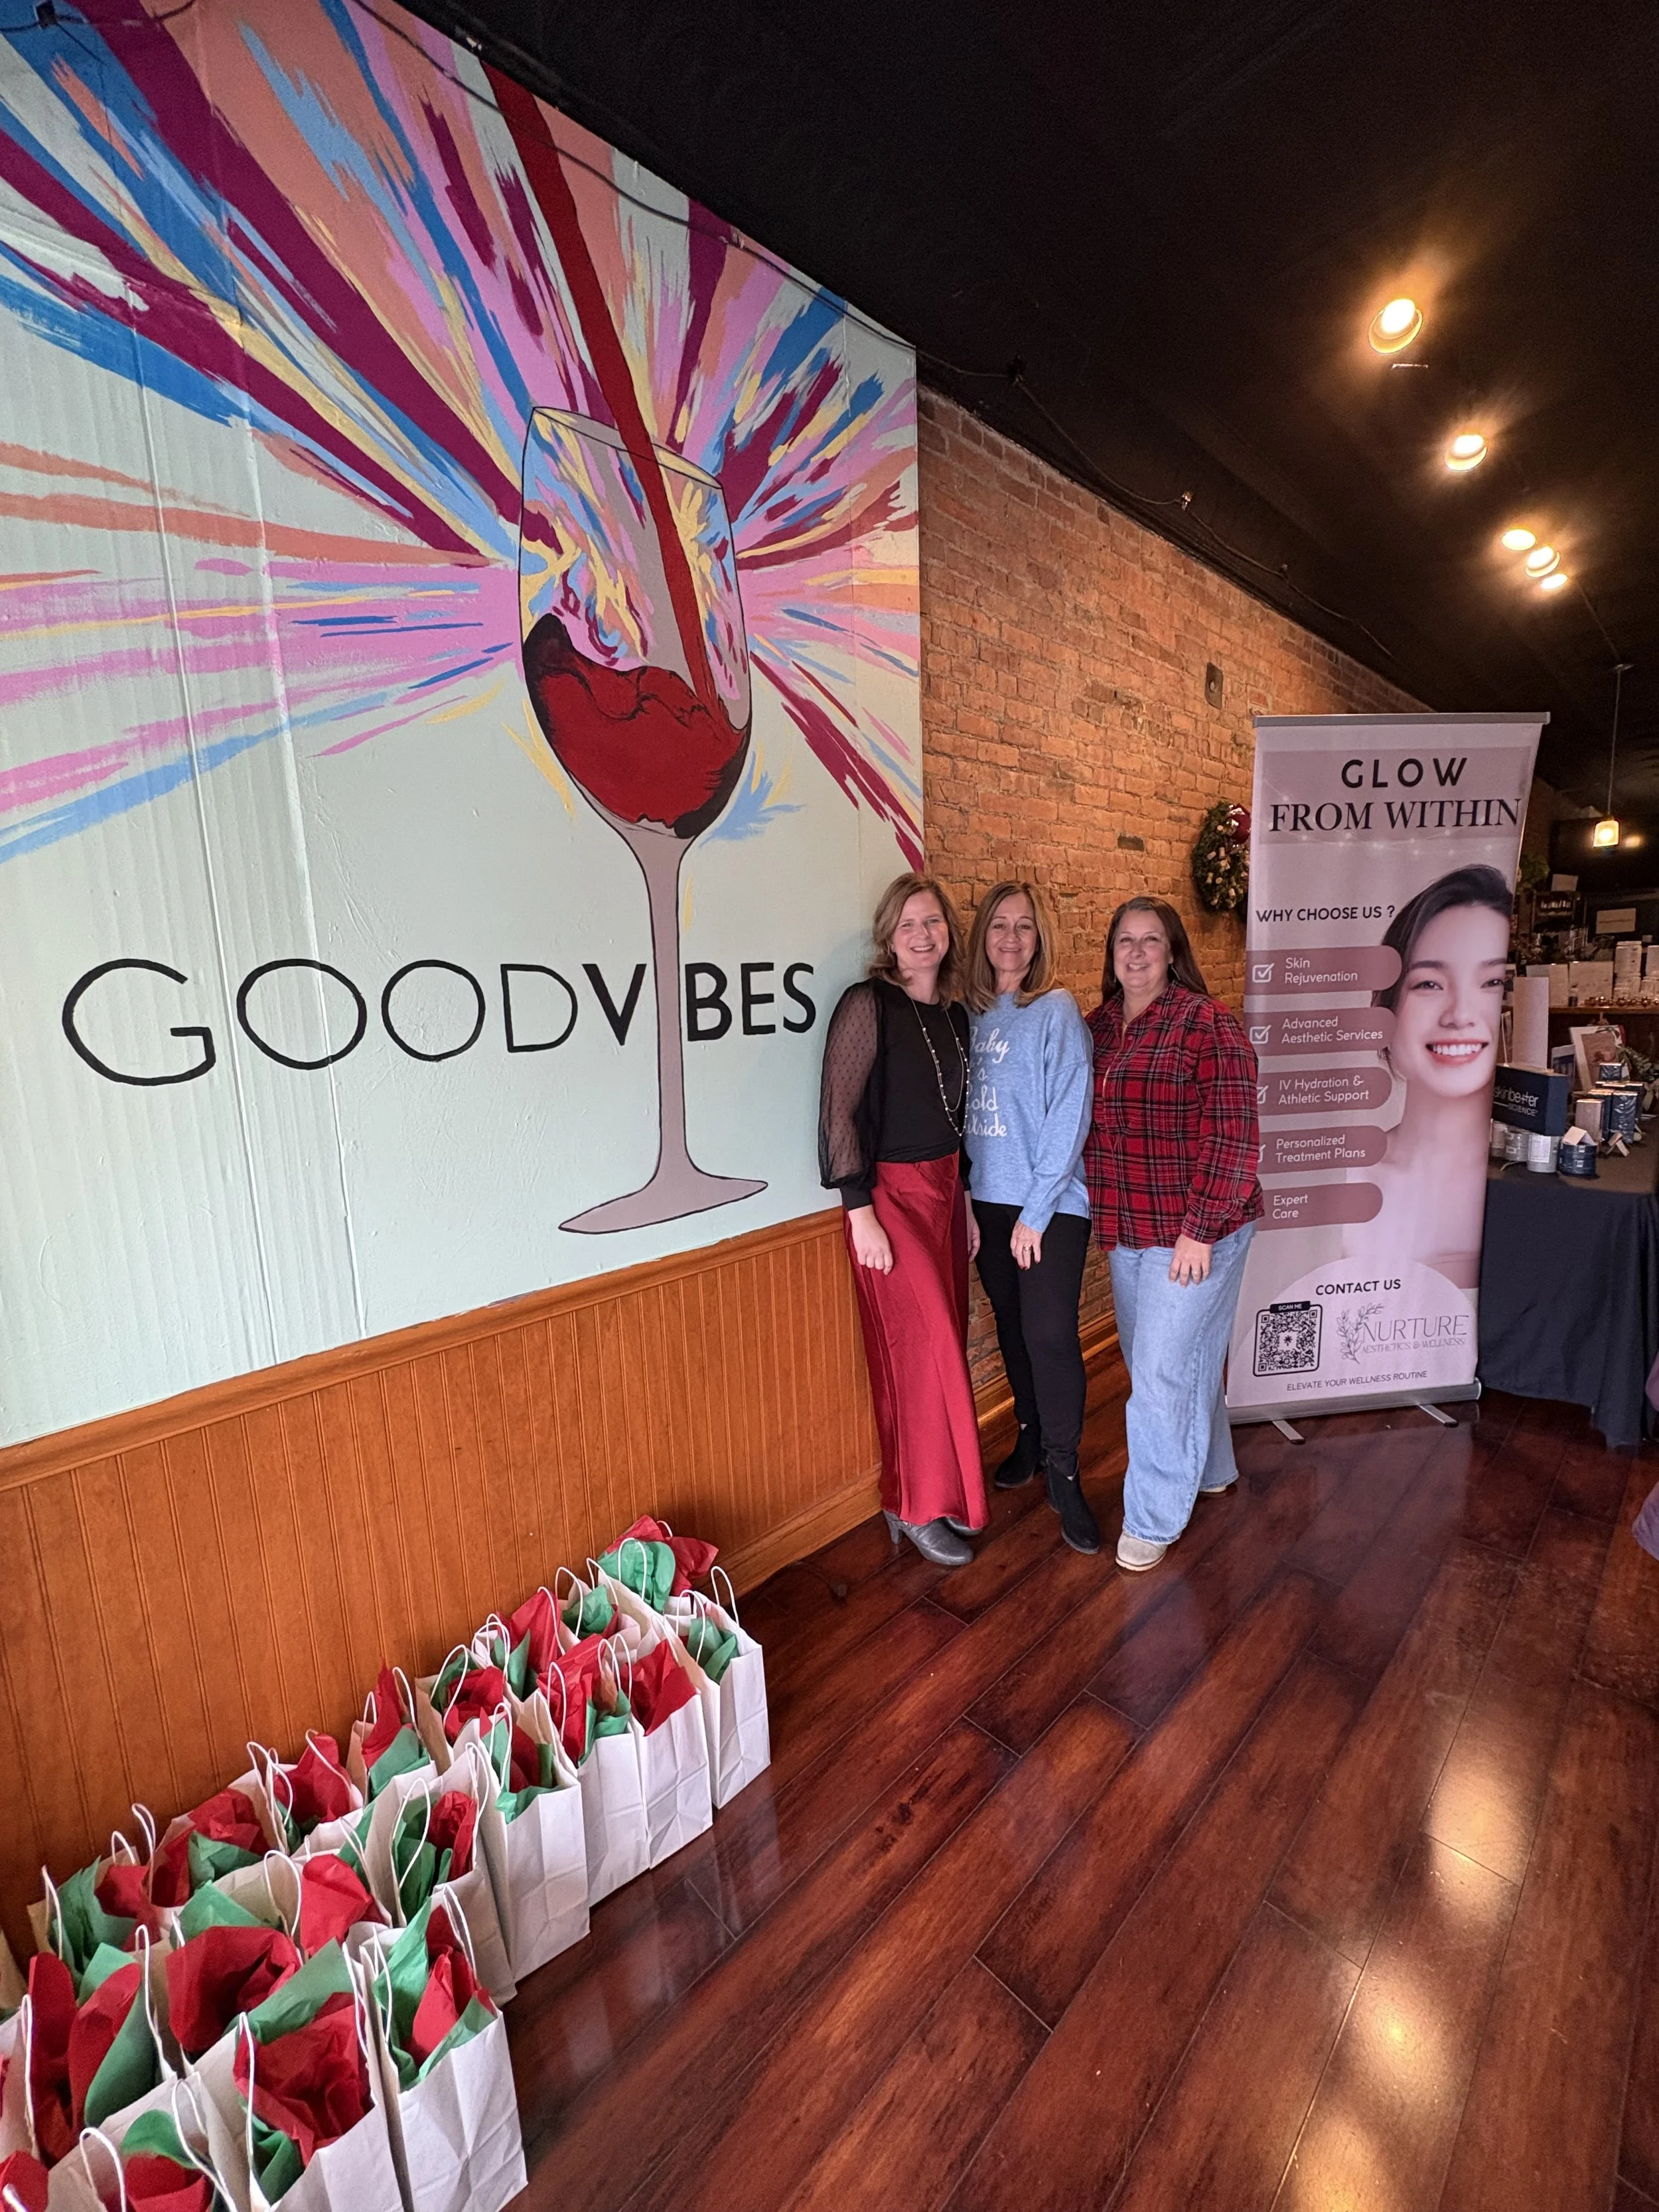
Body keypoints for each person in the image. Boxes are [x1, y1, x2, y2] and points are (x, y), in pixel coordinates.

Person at [1086, 896, 1262, 1571]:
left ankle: (1153, 1517)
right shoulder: (1097, 1028)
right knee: (1164, 1362)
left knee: (1160, 1372)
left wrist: (1199, 1230)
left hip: (1198, 1231)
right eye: (1123, 941)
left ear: (1172, 952)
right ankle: (1212, 1466)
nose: (1135, 953)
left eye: (1150, 941)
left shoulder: (1205, 1024)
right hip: (1129, 1228)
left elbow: (1234, 1135)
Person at [819, 871, 987, 1567]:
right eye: (909, 924)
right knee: (923, 1354)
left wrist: (969, 1199)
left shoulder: (954, 1015)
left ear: (948, 934)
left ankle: (937, 1496)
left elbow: (960, 1119)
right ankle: (913, 1505)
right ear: (890, 936)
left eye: (934, 923)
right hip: (889, 1199)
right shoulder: (868, 1004)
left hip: (947, 1194)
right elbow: (838, 1114)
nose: (923, 935)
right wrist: (859, 1211)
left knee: (943, 1346)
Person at [964, 881, 1099, 1554]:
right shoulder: (972, 1014)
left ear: (1039, 937)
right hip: (987, 1202)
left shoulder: (1054, 1010)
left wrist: (1035, 1213)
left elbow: (1070, 1117)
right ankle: (1028, 1433)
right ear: (983, 936)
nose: (1010, 939)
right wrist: (966, 1199)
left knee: (1049, 1334)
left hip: (1049, 1206)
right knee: (1012, 1330)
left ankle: (1065, 1468)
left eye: (1023, 927)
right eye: (999, 926)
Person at [1342, 864, 1512, 1288]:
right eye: (1430, 985)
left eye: (1490, 982)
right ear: (1387, 1008)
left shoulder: (1526, 1188)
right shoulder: (1346, 1182)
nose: (1460, 1015)